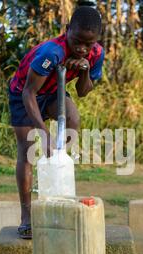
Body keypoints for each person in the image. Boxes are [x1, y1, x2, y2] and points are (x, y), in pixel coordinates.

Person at [8, 5, 105, 239]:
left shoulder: (95, 54)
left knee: (73, 119)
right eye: (77, 41)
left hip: (53, 92)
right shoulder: (52, 52)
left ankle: (55, 166)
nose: (82, 48)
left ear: (97, 40)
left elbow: (83, 92)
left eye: (88, 44)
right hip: (24, 94)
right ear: (67, 29)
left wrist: (84, 71)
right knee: (28, 150)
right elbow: (29, 93)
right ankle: (27, 215)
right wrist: (43, 132)